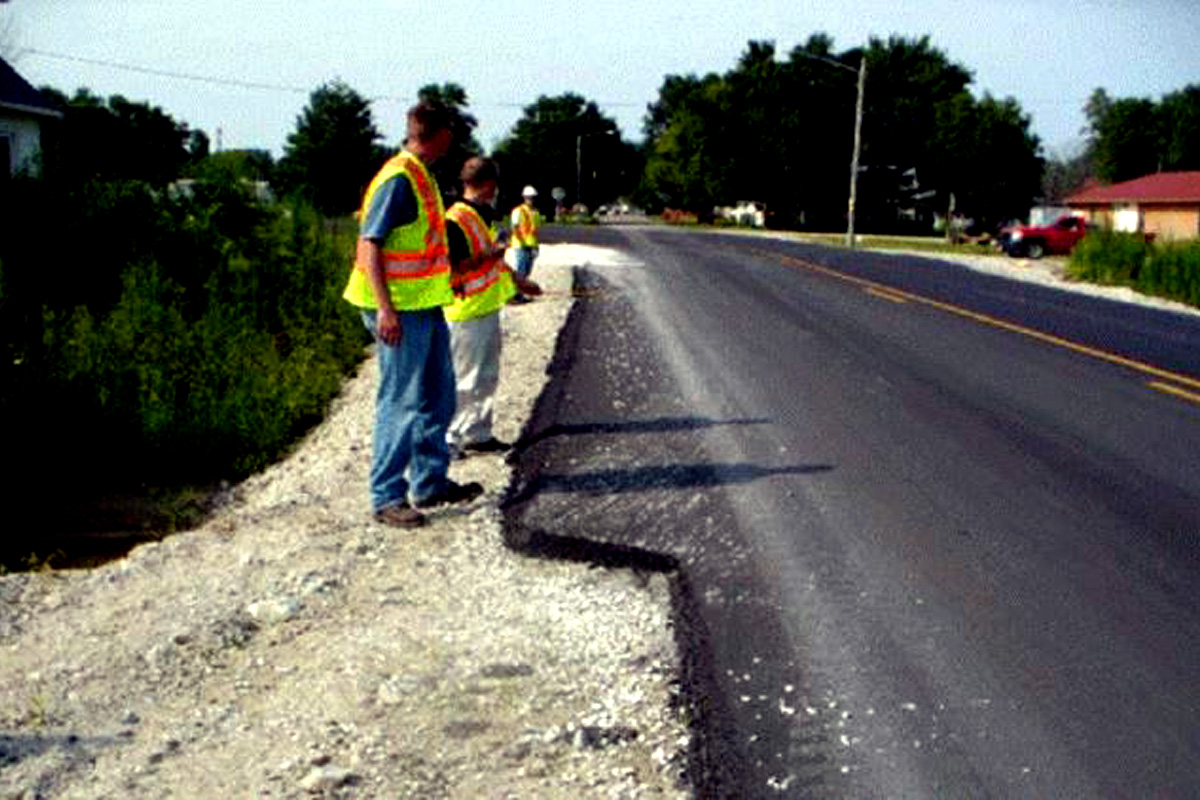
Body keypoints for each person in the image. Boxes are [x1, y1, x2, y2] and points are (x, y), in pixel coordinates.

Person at [342, 101, 483, 529]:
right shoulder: (400, 179)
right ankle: (387, 496)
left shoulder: (420, 176)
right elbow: (370, 246)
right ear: (437, 134)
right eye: (450, 134)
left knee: (437, 394)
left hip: (422, 304)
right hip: (398, 310)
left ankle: (430, 482)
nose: (453, 142)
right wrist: (386, 310)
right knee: (401, 400)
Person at [444, 157, 542, 459]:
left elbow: (493, 260)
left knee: (485, 375)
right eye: (495, 185)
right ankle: (451, 438)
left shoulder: (478, 215)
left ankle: (478, 433)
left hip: (484, 307)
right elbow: (455, 267)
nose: (496, 191)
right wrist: (492, 255)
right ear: (487, 184)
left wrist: (518, 281)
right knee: (464, 379)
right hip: (464, 312)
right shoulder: (456, 219)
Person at [508, 185, 542, 301]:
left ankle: (520, 293)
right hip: (520, 245)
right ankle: (516, 294)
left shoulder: (536, 213)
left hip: (531, 245)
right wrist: (522, 242)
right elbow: (515, 228)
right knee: (521, 271)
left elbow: (535, 231)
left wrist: (536, 247)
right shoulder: (518, 211)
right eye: (529, 197)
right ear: (524, 198)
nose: (531, 200)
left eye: (532, 198)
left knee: (527, 271)